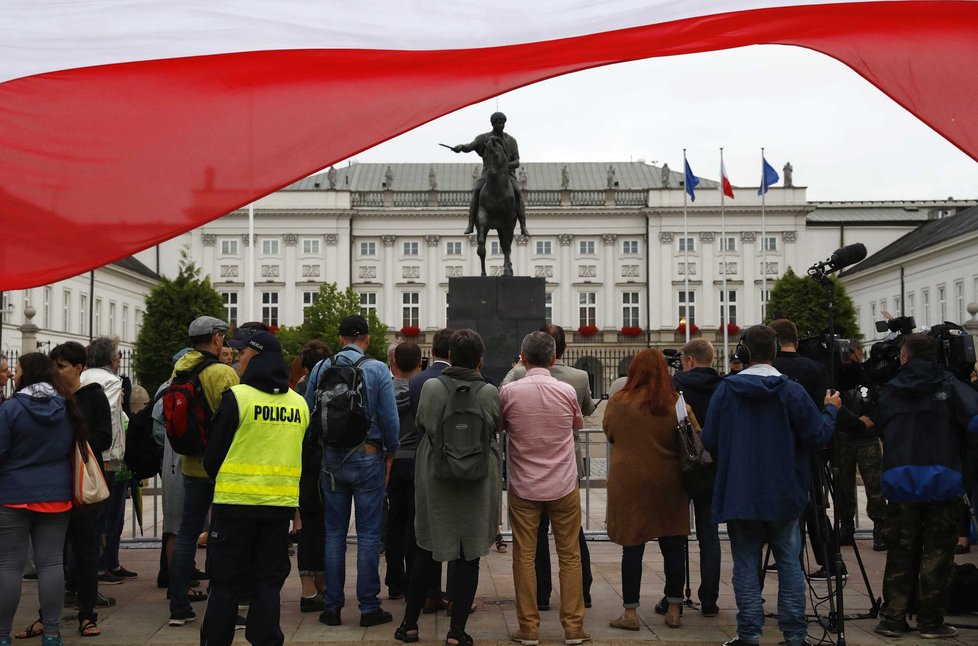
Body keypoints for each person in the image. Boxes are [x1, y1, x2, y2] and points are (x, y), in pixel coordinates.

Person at [702, 325, 840, 646]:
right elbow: (817, 435)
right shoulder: (791, 391)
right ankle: (795, 636)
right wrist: (831, 410)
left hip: (740, 491)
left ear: (743, 352)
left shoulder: (726, 390)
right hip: (784, 492)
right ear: (776, 351)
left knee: (746, 564)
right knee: (790, 563)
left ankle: (749, 634)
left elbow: (709, 439)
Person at [199, 330, 309, 646]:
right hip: (277, 510)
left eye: (242, 353)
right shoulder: (299, 405)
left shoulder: (238, 398)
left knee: (225, 585)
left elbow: (212, 458)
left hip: (234, 507)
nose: (239, 359)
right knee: (268, 584)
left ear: (255, 357)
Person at [395, 330, 501, 646]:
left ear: (450, 357)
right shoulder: (489, 392)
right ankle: (456, 631)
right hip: (476, 480)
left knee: (426, 550)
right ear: (480, 359)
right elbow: (495, 425)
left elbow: (423, 424)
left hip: (436, 478)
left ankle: (409, 626)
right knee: (468, 556)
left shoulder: (431, 387)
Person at [873, 334, 978, 639]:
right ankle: (931, 622)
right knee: (938, 555)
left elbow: (880, 425)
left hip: (900, 479)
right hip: (942, 479)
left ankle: (893, 618)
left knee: (901, 552)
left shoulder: (890, 389)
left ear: (904, 358)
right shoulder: (950, 385)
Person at [501, 331, 590, 646]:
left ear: (523, 359)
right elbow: (576, 425)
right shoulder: (566, 390)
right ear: (553, 359)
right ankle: (574, 627)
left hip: (524, 485)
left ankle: (529, 629)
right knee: (570, 555)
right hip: (563, 483)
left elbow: (501, 426)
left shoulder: (509, 392)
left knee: (524, 555)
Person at [317, 315, 399, 628]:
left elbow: (313, 411)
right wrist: (390, 453)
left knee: (334, 534)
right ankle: (368, 607)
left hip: (332, 460)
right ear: (365, 338)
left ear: (340, 339)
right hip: (368, 457)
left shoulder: (324, 367)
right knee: (367, 535)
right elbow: (390, 419)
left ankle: (332, 607)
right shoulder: (377, 368)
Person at [603, 348, 694, 631]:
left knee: (632, 548)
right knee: (673, 546)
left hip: (630, 484)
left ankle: (630, 614)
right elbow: (694, 438)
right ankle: (675, 609)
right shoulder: (676, 403)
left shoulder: (619, 402)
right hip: (669, 483)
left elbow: (609, 433)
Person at [0, 353, 77, 646]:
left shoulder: (10, 409)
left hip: (13, 494)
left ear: (27, 373)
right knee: (51, 564)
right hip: (56, 495)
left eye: (16, 370)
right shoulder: (66, 408)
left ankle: (3, 635)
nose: (14, 375)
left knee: (9, 566)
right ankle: (52, 633)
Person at [168, 316, 239, 627]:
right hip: (221, 466)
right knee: (223, 537)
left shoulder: (180, 368)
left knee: (187, 533)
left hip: (191, 464)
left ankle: (179, 606)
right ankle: (222, 605)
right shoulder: (224, 373)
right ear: (216, 338)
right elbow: (236, 420)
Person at [50, 342, 113, 637]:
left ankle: (88, 614)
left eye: (61, 366)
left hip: (84, 483)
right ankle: (46, 614)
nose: (55, 371)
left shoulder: (94, 395)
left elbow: (104, 438)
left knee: (86, 550)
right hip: (55, 482)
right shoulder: (50, 397)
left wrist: (75, 444)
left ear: (78, 368)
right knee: (52, 553)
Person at [769, 318, 839, 579]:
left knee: (786, 510)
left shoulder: (771, 368)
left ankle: (791, 560)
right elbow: (827, 403)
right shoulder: (816, 368)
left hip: (778, 448)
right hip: (810, 445)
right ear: (796, 341)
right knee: (816, 506)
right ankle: (830, 561)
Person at [663, 338, 722, 618]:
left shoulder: (675, 387)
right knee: (709, 535)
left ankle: (673, 596)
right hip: (711, 467)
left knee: (676, 533)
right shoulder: (724, 388)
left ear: (688, 360)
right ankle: (709, 599)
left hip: (680, 466)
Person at [404, 328, 455, 612]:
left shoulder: (417, 381)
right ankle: (454, 595)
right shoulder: (460, 381)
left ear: (432, 350)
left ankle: (427, 591)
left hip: (422, 460)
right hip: (457, 463)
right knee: (456, 530)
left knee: (423, 531)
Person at [79, 336, 133, 586]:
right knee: (103, 516)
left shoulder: (82, 377)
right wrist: (113, 454)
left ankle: (96, 568)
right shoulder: (111, 381)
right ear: (112, 359)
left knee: (90, 515)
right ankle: (98, 569)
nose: (120, 360)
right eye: (118, 355)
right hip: (104, 455)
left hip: (83, 451)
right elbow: (110, 416)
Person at [833, 339, 886, 551]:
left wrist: (871, 419)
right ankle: (846, 526)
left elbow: (876, 399)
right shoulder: (837, 376)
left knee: (875, 486)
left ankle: (880, 528)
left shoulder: (867, 375)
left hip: (868, 439)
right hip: (845, 437)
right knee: (843, 486)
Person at [385, 341, 423, 601]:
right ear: (420, 364)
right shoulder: (423, 390)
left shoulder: (384, 389)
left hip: (390, 461)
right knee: (414, 523)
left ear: (393, 363)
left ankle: (394, 580)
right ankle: (414, 581)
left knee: (393, 523)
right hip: (417, 460)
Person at [452, 112, 528, 237]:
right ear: (493, 124)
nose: (501, 126)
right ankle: (471, 223)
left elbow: (517, 162)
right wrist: (460, 147)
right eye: (498, 123)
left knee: (518, 192)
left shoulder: (511, 141)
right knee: (476, 190)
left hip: (507, 175)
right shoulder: (483, 138)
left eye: (503, 123)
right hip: (488, 174)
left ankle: (523, 226)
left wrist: (504, 166)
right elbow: (470, 146)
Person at [295, 339, 330, 612]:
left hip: (303, 462)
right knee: (325, 527)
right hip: (328, 460)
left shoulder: (299, 391)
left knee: (307, 526)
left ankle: (309, 588)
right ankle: (321, 584)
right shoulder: (332, 386)